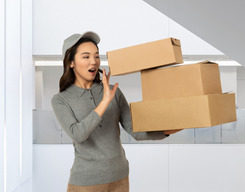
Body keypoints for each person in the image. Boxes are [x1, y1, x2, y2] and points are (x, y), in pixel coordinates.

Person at [51, 31, 180, 192]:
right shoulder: (61, 100)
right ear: (71, 62)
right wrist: (105, 101)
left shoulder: (114, 91)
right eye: (86, 57)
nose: (94, 61)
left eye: (96, 56)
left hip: (119, 177)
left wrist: (166, 131)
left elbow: (134, 130)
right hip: (86, 182)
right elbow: (78, 134)